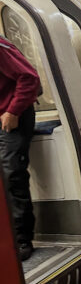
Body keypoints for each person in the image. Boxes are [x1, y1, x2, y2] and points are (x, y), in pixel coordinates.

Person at [0, 37, 41, 261]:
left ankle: (22, 240)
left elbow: (29, 77)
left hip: (12, 117)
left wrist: (13, 111)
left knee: (12, 175)